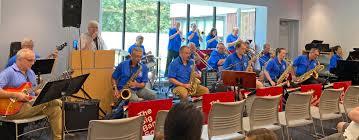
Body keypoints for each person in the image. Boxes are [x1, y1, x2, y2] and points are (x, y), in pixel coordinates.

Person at [0, 49, 62, 140]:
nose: (33, 63)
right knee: (52, 101)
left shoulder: (31, 72)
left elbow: (34, 90)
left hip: (29, 105)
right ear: (19, 59)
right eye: (30, 60)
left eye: (34, 60)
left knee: (55, 109)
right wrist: (16, 95)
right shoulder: (8, 72)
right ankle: (64, 104)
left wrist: (43, 92)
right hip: (11, 110)